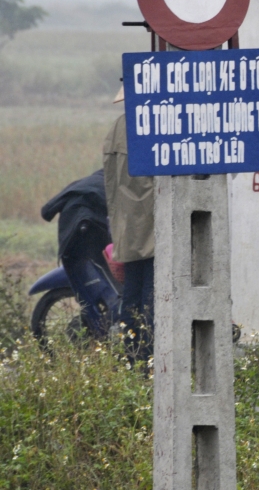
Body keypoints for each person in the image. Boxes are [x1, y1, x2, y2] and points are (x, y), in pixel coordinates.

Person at [103, 85, 156, 365]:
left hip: (125, 227)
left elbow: (109, 182)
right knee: (151, 299)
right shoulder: (157, 124)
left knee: (131, 297)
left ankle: (132, 358)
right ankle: (150, 359)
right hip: (153, 227)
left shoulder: (116, 128)